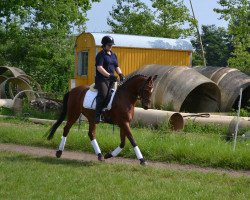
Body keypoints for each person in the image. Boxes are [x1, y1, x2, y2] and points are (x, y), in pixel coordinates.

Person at [94, 35, 125, 123]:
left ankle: (109, 114)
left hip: (112, 79)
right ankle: (97, 115)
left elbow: (116, 66)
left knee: (114, 96)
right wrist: (108, 75)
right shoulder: (101, 55)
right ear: (104, 45)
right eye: (109, 45)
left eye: (111, 45)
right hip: (102, 79)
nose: (110, 46)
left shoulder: (113, 54)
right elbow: (99, 68)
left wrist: (120, 74)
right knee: (104, 95)